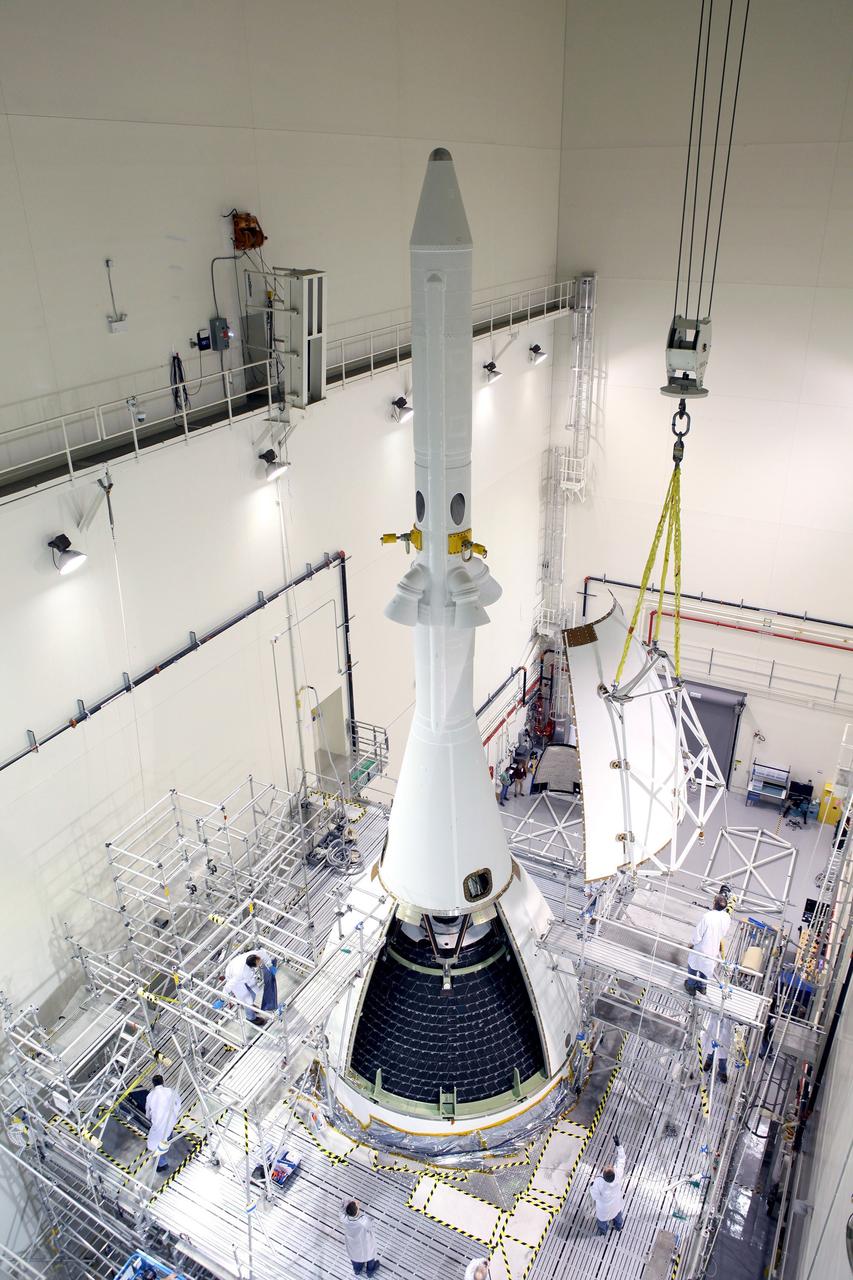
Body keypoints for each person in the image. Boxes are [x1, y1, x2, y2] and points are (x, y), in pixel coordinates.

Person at [684, 894, 731, 996]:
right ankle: (702, 987)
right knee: (706, 967)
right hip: (714, 947)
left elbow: (698, 934)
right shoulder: (727, 918)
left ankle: (691, 986)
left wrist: (691, 943)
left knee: (693, 965)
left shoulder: (707, 917)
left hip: (702, 947)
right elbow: (724, 933)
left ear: (714, 903)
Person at [223, 947, 277, 1024]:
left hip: (238, 967)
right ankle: (251, 1018)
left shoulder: (255, 955)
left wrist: (270, 965)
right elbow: (228, 986)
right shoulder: (240, 974)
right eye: (259, 963)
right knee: (247, 999)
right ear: (253, 966)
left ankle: (250, 1007)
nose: (261, 962)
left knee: (253, 992)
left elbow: (263, 955)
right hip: (233, 976)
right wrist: (222, 999)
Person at [589, 1135, 627, 1236]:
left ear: (604, 1175)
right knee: (618, 1217)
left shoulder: (598, 1182)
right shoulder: (618, 1174)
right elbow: (621, 1160)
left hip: (603, 1210)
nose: (609, 1165)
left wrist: (591, 1185)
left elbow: (594, 1196)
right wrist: (618, 1145)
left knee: (602, 1222)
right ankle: (618, 1227)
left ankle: (603, 1231)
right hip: (616, 1205)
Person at [145, 1074, 181, 1173]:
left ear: (153, 1084)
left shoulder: (150, 1096)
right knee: (167, 1136)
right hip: (170, 1122)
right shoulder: (170, 1091)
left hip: (159, 1126)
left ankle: (162, 1164)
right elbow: (178, 1102)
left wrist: (149, 1117)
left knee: (155, 1146)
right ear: (163, 1081)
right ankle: (168, 1143)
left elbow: (147, 1112)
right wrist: (175, 1114)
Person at [339, 1198, 379, 1275]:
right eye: (357, 1205)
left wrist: (351, 1203)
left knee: (355, 1258)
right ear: (357, 1210)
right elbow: (371, 1226)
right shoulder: (363, 1221)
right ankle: (370, 1271)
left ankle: (357, 1270)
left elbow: (342, 1205)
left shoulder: (344, 1218)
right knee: (370, 1257)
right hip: (366, 1245)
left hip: (353, 1245)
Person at [701, 1014, 731, 1083]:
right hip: (713, 1033)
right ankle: (709, 1062)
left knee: (723, 1059)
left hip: (724, 1038)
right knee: (711, 1052)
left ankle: (722, 1071)